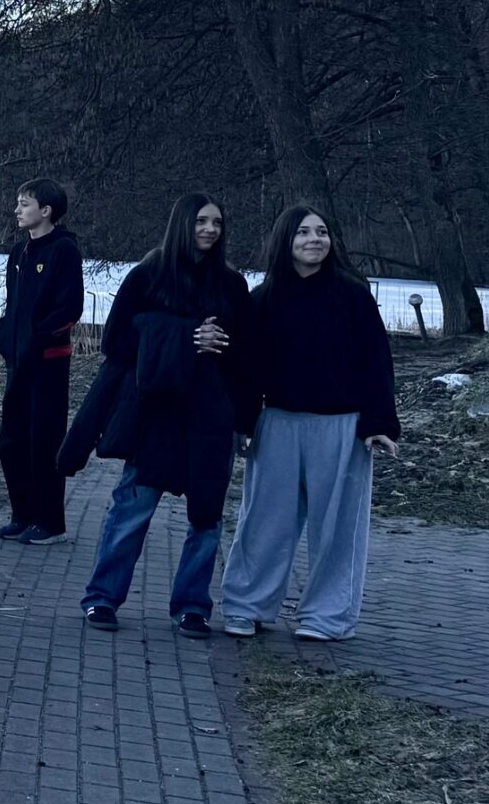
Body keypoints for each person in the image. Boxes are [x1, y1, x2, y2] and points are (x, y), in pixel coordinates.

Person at [60, 193, 251, 638]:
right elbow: (116, 342)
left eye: (217, 223)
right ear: (182, 223)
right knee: (133, 507)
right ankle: (103, 596)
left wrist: (243, 416)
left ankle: (192, 606)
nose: (210, 230)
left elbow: (246, 354)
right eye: (200, 221)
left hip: (210, 416)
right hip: (156, 414)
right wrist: (185, 337)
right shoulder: (148, 275)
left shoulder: (232, 285)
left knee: (206, 517)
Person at [218, 207, 399, 641]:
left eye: (321, 232)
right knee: (263, 523)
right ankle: (246, 607)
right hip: (278, 423)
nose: (314, 239)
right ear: (286, 240)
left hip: (342, 428)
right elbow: (247, 370)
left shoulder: (353, 296)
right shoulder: (263, 299)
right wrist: (244, 423)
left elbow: (376, 362)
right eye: (303, 232)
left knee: (337, 527)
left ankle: (327, 617)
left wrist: (379, 423)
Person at [0, 178, 85, 545]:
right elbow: (12, 304)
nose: (17, 210)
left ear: (45, 211)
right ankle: (23, 515)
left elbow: (71, 308)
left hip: (48, 363)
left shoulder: (64, 250)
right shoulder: (19, 252)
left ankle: (50, 523)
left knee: (44, 441)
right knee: (13, 441)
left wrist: (38, 339)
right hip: (17, 362)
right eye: (18, 203)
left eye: (24, 204)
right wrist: (5, 334)